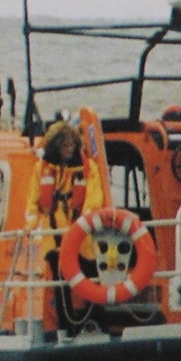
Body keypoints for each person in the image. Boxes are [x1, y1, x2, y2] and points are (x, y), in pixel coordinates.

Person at [25, 121, 106, 330]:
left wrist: (83, 221)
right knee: (61, 282)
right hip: (54, 235)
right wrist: (30, 224)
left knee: (91, 275)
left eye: (71, 145)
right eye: (64, 145)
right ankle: (65, 323)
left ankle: (96, 319)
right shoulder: (42, 169)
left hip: (82, 236)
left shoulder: (88, 168)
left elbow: (94, 197)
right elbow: (34, 200)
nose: (69, 149)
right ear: (55, 146)